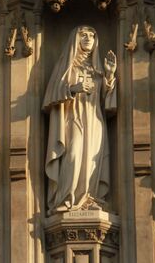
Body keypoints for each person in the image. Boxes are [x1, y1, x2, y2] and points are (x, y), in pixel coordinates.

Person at [43, 26, 116, 214]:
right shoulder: (66, 67)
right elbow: (51, 96)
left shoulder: (97, 69)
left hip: (94, 119)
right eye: (83, 35)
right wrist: (74, 89)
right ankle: (67, 199)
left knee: (91, 161)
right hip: (72, 117)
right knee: (74, 155)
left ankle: (88, 197)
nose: (88, 39)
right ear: (75, 39)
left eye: (92, 35)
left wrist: (109, 75)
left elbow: (107, 103)